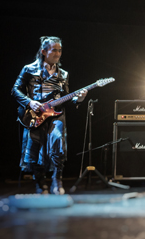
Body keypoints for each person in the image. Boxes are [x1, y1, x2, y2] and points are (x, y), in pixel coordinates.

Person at [12, 36, 86, 195]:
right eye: (54, 50)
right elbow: (15, 90)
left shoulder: (63, 74)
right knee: (34, 148)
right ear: (44, 51)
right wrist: (29, 102)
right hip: (34, 114)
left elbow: (66, 97)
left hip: (56, 115)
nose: (58, 53)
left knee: (58, 143)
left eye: (60, 50)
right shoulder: (29, 69)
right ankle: (40, 184)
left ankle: (57, 181)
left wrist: (78, 98)